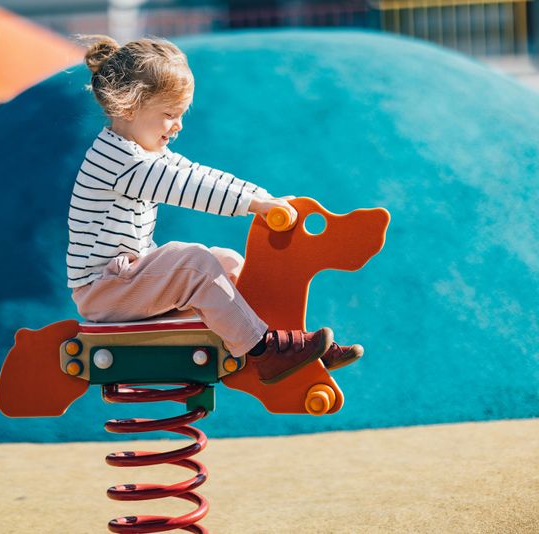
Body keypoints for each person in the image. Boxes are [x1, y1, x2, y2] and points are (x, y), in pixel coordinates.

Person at [67, 35, 362, 384]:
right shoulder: (120, 162)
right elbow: (188, 188)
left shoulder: (141, 154)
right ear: (129, 107)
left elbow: (194, 172)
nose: (178, 125)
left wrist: (261, 197)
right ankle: (264, 352)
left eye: (180, 114)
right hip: (105, 291)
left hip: (125, 280)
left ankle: (290, 344)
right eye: (169, 115)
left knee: (228, 263)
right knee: (195, 264)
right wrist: (253, 205)